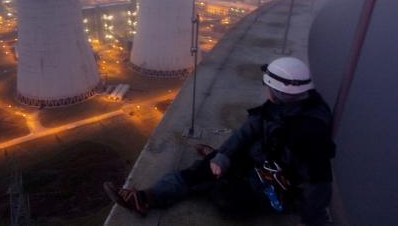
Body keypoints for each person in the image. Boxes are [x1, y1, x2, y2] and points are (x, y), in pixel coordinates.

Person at [104, 57, 335, 226]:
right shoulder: (280, 107)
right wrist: (224, 156)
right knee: (202, 171)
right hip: (259, 162)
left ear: (276, 91)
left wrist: (310, 220)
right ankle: (147, 198)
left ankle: (216, 176)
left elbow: (319, 182)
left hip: (278, 183)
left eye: (268, 86)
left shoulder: (309, 134)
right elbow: (245, 132)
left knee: (226, 200)